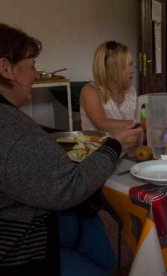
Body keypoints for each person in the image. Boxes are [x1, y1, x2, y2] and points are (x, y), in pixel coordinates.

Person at [0, 23, 142, 275]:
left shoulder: (13, 121)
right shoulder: (14, 133)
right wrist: (115, 145)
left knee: (97, 237)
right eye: (32, 66)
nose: (36, 75)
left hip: (45, 212)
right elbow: (69, 188)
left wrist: (52, 137)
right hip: (22, 244)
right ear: (6, 68)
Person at [80, 40, 140, 132]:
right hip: (101, 146)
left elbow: (142, 119)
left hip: (129, 145)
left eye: (131, 64)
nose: (132, 70)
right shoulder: (90, 90)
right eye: (126, 65)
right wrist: (139, 124)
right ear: (111, 68)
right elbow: (101, 123)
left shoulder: (131, 91)